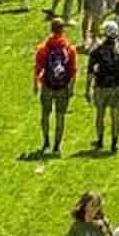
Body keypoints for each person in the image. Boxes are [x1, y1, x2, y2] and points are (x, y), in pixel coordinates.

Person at [87, 19, 119, 154]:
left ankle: (100, 140)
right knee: (115, 117)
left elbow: (90, 71)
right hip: (117, 87)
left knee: (100, 115)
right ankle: (114, 143)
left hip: (101, 86)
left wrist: (87, 89)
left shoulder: (97, 50)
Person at [34, 18, 79, 155]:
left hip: (47, 85)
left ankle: (46, 140)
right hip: (62, 86)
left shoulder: (43, 48)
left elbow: (38, 67)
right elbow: (73, 69)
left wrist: (36, 84)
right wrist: (71, 87)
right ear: (63, 29)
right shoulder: (69, 48)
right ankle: (57, 146)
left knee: (45, 114)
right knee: (60, 116)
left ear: (51, 29)